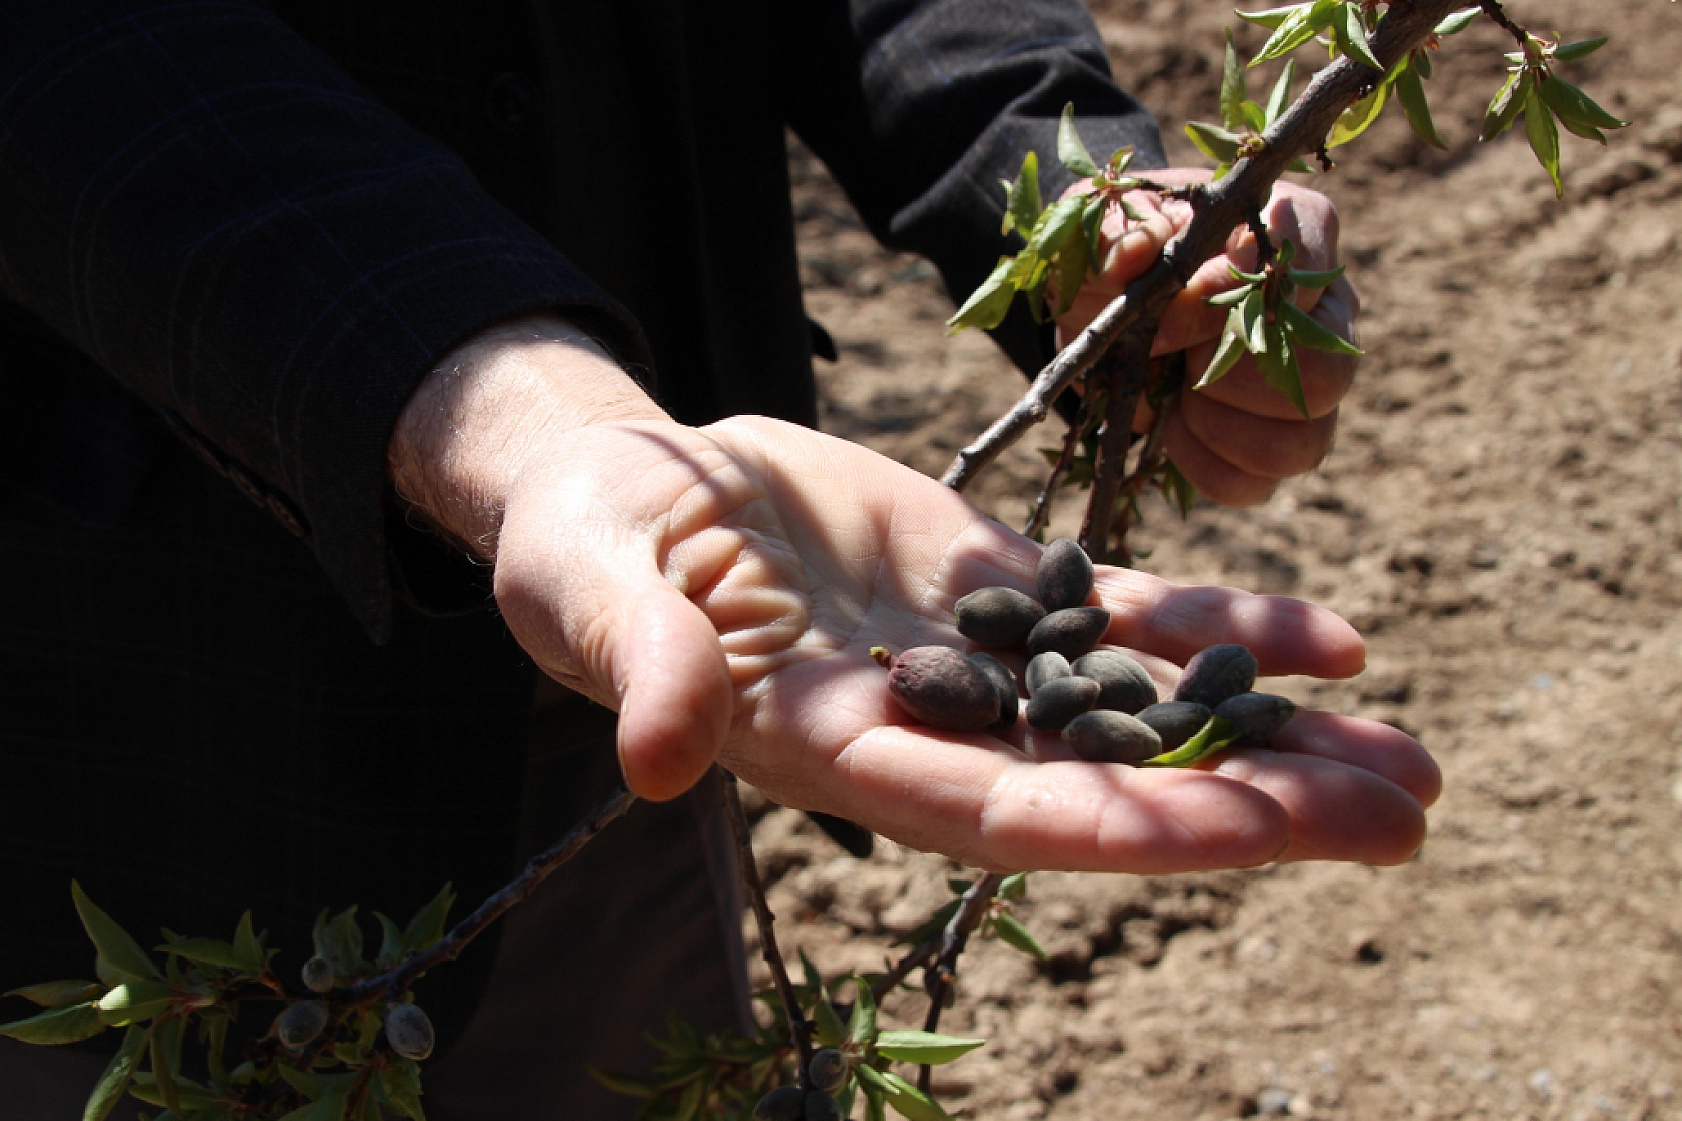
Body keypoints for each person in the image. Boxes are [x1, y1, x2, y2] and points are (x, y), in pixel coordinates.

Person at [0, 1, 1434, 1118]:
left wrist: (1069, 190)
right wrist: (525, 421)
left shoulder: (732, 592)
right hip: (151, 691)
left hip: (702, 618)